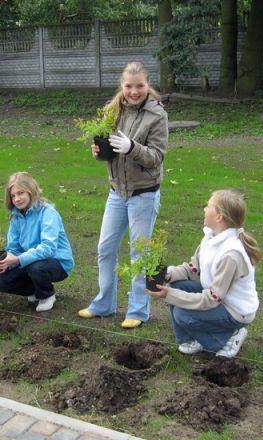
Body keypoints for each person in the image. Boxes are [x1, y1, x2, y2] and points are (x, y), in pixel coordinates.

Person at [77, 62, 169, 329]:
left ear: (147, 85)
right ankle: (104, 304)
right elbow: (106, 145)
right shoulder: (112, 110)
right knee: (105, 248)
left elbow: (156, 157)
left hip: (144, 194)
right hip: (117, 192)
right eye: (129, 86)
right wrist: (99, 152)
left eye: (139, 85)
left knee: (139, 254)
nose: (134, 91)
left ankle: (138, 311)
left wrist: (132, 147)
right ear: (122, 85)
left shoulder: (157, 115)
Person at [146, 190, 261, 358]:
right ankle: (189, 339)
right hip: (219, 297)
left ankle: (227, 338)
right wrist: (167, 275)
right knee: (176, 285)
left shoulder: (231, 255)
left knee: (182, 314)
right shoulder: (210, 237)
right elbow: (193, 269)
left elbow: (212, 299)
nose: (204, 209)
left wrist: (170, 295)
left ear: (219, 216)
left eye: (208, 206)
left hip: (235, 310)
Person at [0, 172, 74, 312]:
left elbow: (48, 248)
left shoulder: (48, 212)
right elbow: (13, 247)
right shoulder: (16, 216)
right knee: (1, 281)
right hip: (29, 261)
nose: (17, 199)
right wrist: (2, 262)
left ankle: (47, 295)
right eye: (13, 196)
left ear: (31, 191)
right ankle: (34, 291)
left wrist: (18, 259)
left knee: (36, 267)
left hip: (57, 262)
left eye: (21, 193)